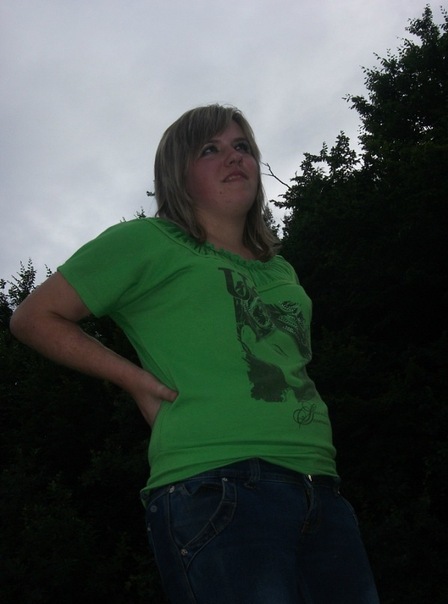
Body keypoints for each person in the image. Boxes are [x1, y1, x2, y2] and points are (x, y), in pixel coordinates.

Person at [10, 104, 380, 603]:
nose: (234, 157)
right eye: (211, 149)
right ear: (177, 174)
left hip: (322, 487)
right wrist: (134, 380)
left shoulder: (280, 268)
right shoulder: (146, 241)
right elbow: (34, 317)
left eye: (242, 147)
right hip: (218, 486)